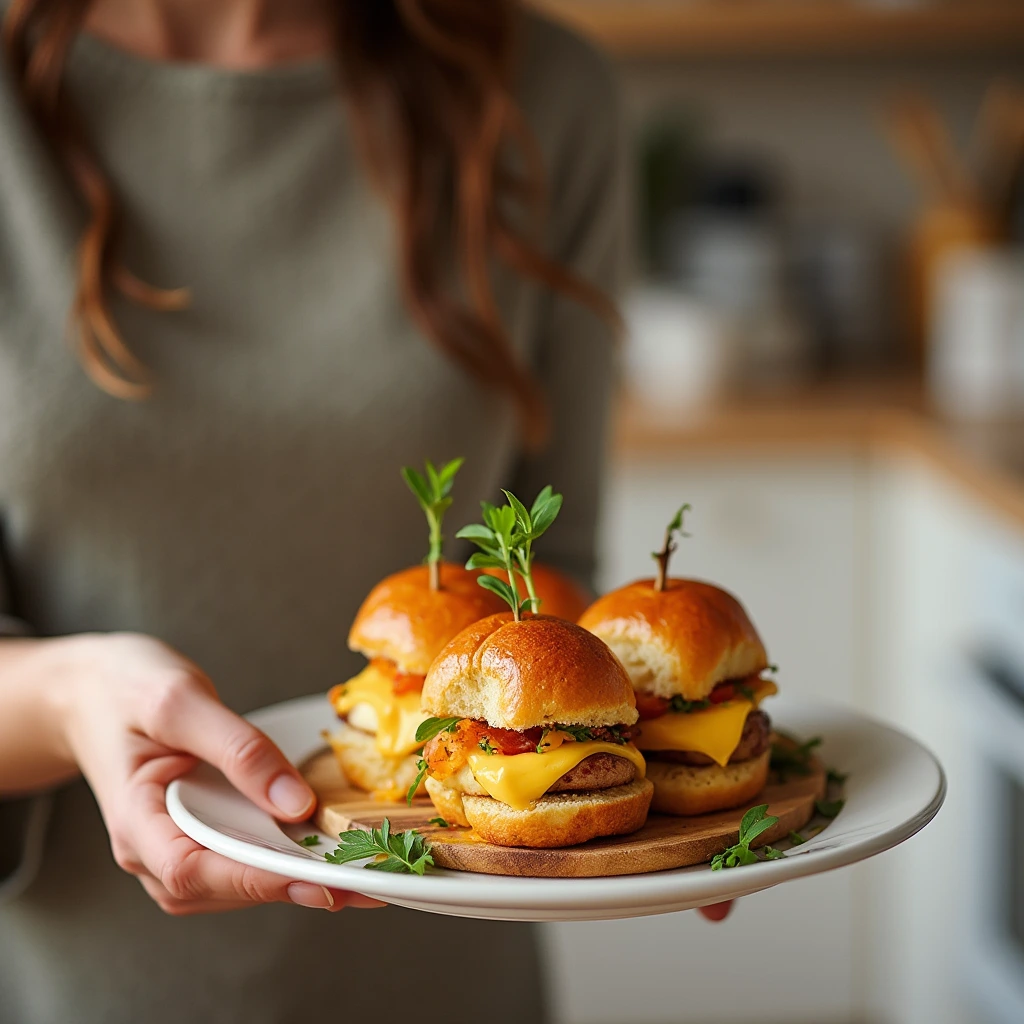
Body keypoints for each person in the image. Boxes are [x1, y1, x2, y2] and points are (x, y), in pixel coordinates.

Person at [0, 2, 727, 1022]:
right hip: (79, 979)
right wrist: (69, 695)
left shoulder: (542, 92)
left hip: (450, 972)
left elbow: (556, 573)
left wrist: (668, 793)